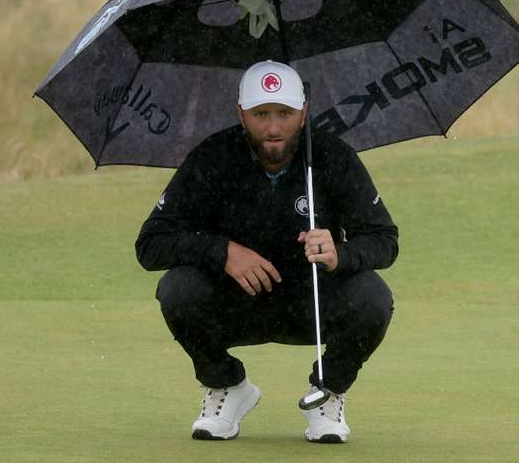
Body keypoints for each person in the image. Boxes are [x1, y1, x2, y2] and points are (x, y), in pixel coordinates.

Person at [135, 60, 398, 444]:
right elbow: (150, 244)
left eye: (285, 114)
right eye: (261, 114)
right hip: (236, 304)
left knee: (374, 297)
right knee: (178, 288)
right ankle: (226, 386)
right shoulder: (213, 157)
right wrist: (220, 250)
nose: (273, 128)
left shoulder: (332, 156)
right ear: (241, 113)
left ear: (304, 112)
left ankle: (328, 392)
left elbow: (384, 240)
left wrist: (340, 253)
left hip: (312, 303)